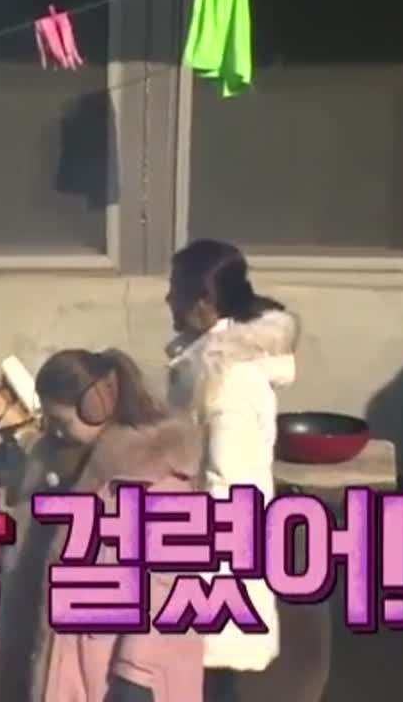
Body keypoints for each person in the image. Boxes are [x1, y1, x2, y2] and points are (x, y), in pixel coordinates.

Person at [0, 348, 204, 702]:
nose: (53, 432)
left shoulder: (157, 481)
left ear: (97, 405)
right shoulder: (53, 465)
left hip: (109, 671)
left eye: (61, 422)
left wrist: (137, 675)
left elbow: (168, 589)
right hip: (53, 663)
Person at [164, 239, 300, 700]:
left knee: (211, 676)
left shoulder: (228, 381)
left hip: (215, 555)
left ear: (202, 301)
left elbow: (229, 483)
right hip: (202, 545)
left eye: (174, 290)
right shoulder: (208, 364)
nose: (167, 299)